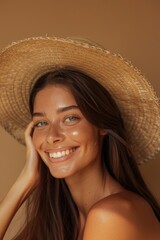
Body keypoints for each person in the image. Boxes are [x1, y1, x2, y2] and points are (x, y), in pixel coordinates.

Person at [0, 37, 160, 240]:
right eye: (41, 123)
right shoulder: (64, 218)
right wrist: (24, 182)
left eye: (70, 118)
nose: (52, 136)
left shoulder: (112, 216)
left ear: (101, 124)